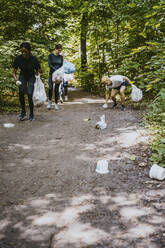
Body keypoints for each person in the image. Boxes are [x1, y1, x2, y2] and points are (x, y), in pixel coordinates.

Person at [13, 42, 40, 121]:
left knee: (29, 93)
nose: (23, 53)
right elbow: (14, 72)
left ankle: (31, 113)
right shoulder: (18, 59)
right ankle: (23, 112)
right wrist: (16, 80)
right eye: (22, 51)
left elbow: (38, 70)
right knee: (21, 92)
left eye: (25, 51)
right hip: (22, 76)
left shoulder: (34, 59)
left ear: (29, 51)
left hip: (31, 76)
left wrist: (38, 77)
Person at [47, 44, 63, 110]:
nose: (59, 52)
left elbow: (62, 65)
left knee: (56, 89)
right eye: (58, 50)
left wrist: (59, 72)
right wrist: (56, 70)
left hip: (58, 75)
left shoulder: (60, 56)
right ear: (55, 49)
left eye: (60, 51)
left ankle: (56, 104)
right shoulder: (50, 55)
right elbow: (49, 64)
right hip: (52, 74)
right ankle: (49, 102)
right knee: (50, 88)